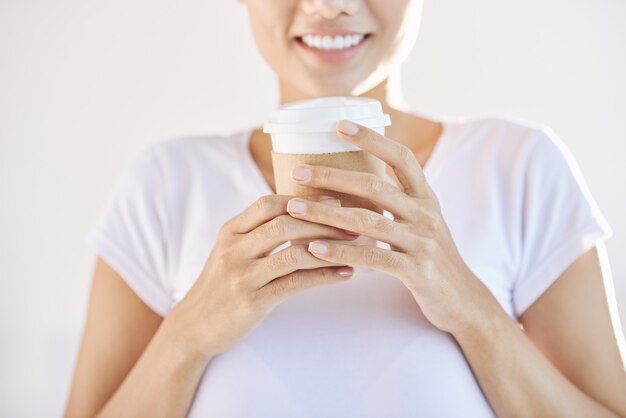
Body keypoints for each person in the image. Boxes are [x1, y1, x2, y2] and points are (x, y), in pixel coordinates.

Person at [64, 0, 626, 417]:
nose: (329, 6)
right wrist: (189, 334)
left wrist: (473, 312)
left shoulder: (517, 168)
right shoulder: (166, 184)